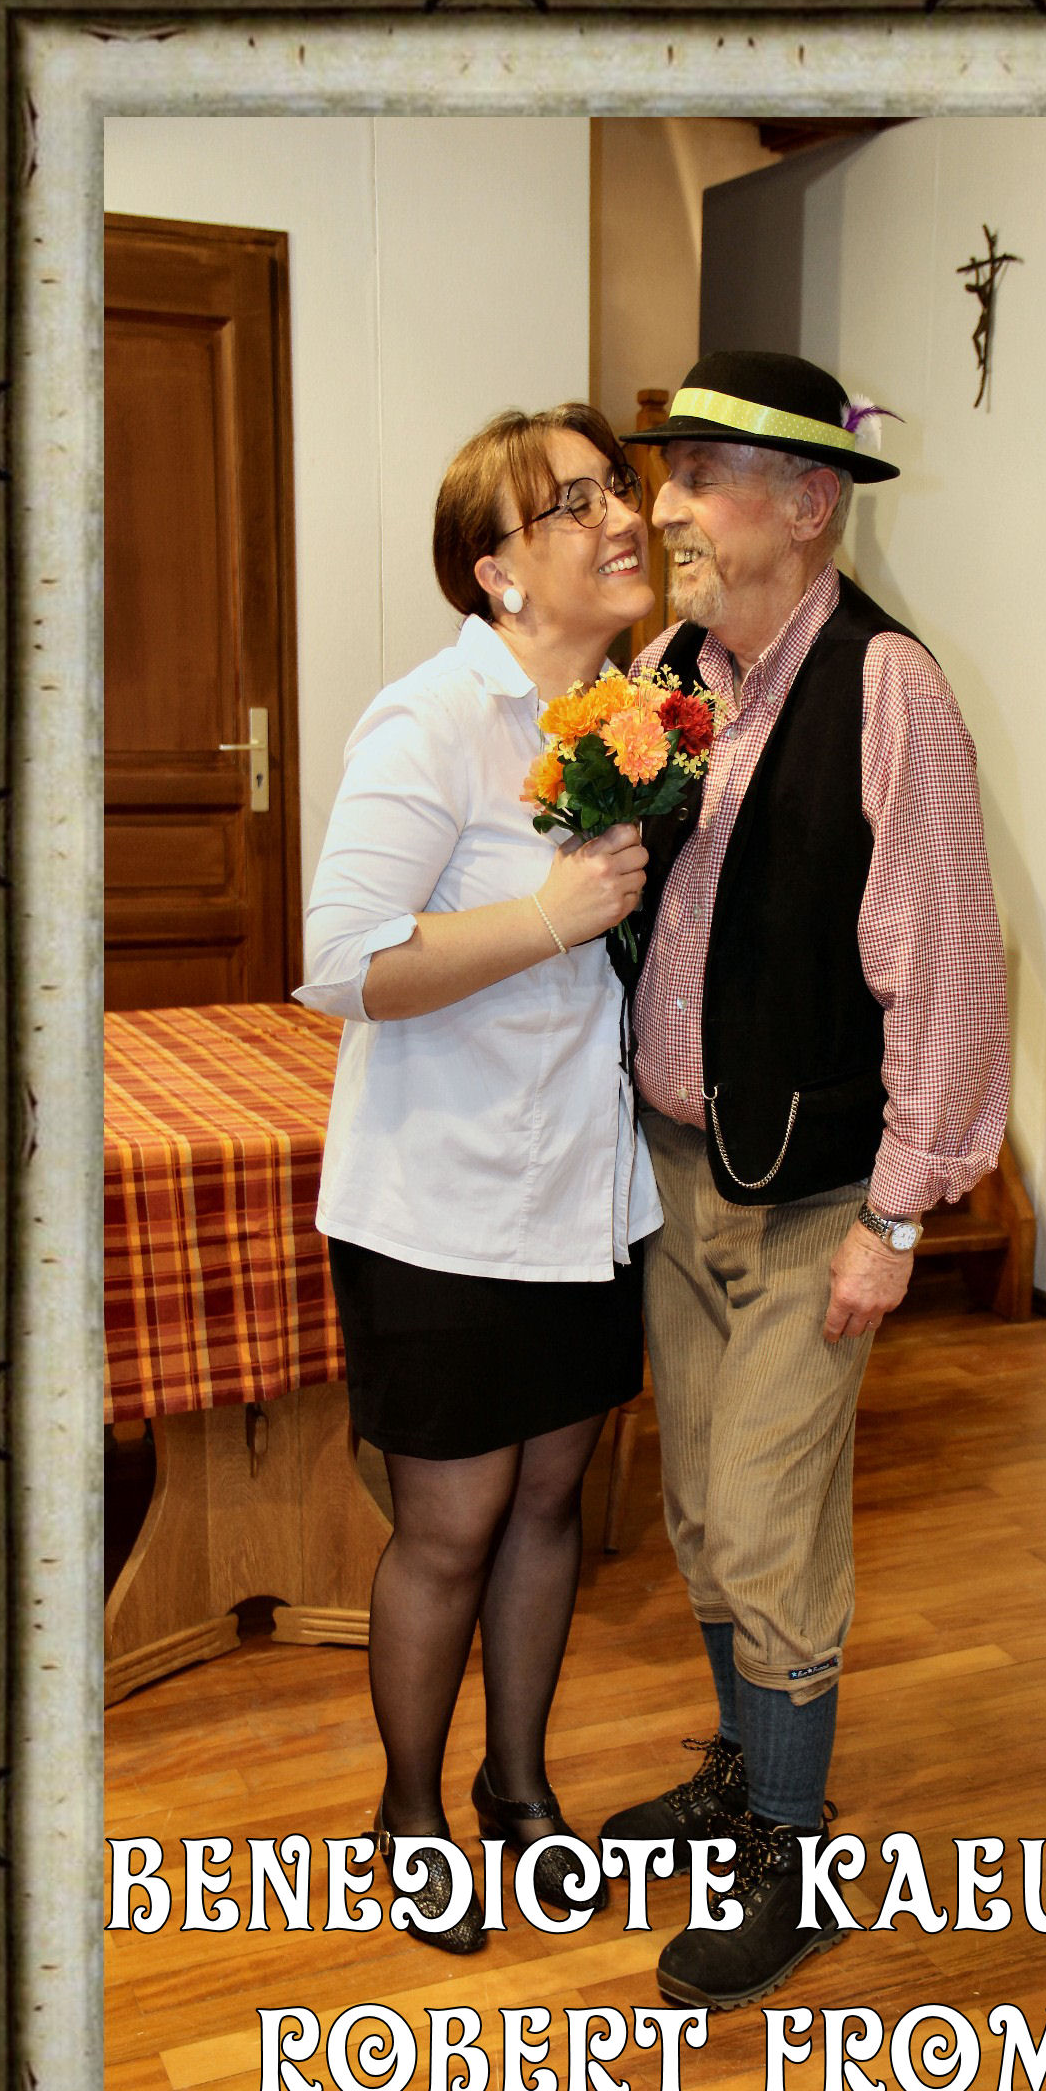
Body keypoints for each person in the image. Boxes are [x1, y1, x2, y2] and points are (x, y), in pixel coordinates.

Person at [602, 349, 1011, 2009]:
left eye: (700, 478)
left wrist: (898, 1218)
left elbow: (951, 972)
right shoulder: (679, 670)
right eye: (670, 474)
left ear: (811, 502)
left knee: (772, 1523)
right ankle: (739, 1773)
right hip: (677, 1168)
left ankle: (792, 1847)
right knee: (706, 1508)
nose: (667, 507)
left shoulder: (887, 686)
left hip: (817, 1196)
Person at [294, 403, 656, 1953]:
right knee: (450, 1528)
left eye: (616, 486)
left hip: (585, 1188)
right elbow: (343, 962)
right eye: (575, 502)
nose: (619, 515)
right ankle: (409, 1811)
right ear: (497, 568)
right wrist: (550, 916)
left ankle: (520, 1786)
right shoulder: (432, 720)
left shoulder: (633, 719)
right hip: (438, 1200)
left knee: (552, 1504)